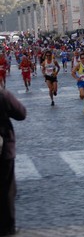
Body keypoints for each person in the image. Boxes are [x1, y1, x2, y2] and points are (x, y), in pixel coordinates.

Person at [0, 89, 27, 236]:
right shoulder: (3, 95)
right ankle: (7, 228)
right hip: (3, 149)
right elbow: (21, 113)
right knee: (6, 189)